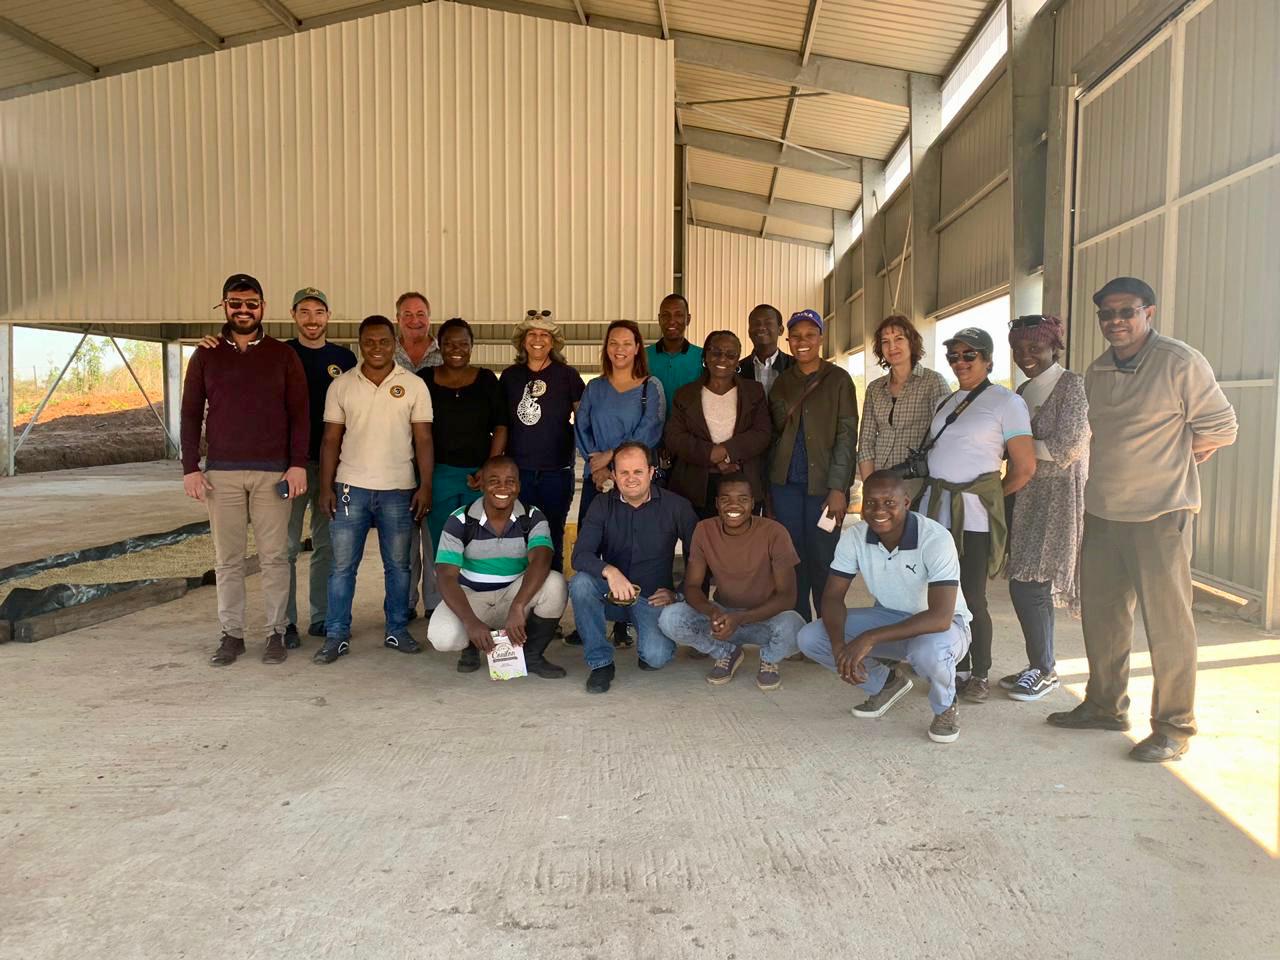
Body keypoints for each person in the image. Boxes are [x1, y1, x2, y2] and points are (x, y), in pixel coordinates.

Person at [1048, 277, 1237, 763]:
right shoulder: (1098, 370)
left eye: (1126, 311)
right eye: (1107, 314)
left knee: (1168, 625)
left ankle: (1174, 726)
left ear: (1148, 313)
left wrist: (1178, 455)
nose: (1116, 321)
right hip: (1103, 511)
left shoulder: (1179, 362)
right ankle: (1104, 706)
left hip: (1160, 514)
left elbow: (1222, 427)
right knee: (1103, 618)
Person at [191, 285, 355, 647]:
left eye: (319, 312)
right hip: (287, 466)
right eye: (304, 311)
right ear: (292, 315)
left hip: (334, 463)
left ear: (329, 316)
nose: (312, 319)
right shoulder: (282, 352)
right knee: (286, 546)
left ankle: (322, 617)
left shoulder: (344, 358)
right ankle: (287, 623)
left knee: (327, 544)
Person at [181, 273, 308, 667]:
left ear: (263, 308)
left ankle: (276, 632)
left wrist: (297, 465)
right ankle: (231, 634)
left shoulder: (283, 356)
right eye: (235, 304)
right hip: (222, 473)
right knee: (228, 559)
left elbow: (300, 414)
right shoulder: (206, 355)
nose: (243, 310)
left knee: (275, 557)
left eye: (251, 304)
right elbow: (190, 414)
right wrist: (190, 467)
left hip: (273, 473)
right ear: (225, 306)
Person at [798, 471, 972, 744]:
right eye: (871, 502)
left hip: (945, 627)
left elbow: (940, 617)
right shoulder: (854, 537)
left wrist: (869, 637)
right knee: (811, 637)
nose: (879, 510)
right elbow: (832, 597)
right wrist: (838, 647)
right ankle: (887, 683)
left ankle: (945, 707)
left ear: (906, 503)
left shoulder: (935, 538)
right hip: (890, 617)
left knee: (927, 651)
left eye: (889, 503)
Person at [916, 327, 1036, 704]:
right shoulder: (947, 402)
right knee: (939, 594)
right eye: (954, 356)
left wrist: (990, 498)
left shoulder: (1007, 402)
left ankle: (980, 671)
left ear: (988, 360)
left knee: (971, 597)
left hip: (975, 518)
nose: (961, 362)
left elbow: (1024, 467)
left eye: (970, 355)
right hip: (937, 512)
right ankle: (957, 665)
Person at [313, 315, 434, 664]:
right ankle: (336, 634)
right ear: (360, 344)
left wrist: (425, 486)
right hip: (350, 489)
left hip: (398, 489)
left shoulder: (413, 385)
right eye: (369, 342)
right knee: (342, 567)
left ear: (394, 343)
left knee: (398, 566)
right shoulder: (342, 385)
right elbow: (330, 440)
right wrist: (326, 487)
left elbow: (424, 439)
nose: (376, 348)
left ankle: (396, 629)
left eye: (383, 341)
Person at [1001, 315, 1089, 702]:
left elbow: (1069, 447)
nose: (1026, 356)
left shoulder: (1073, 386)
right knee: (1027, 582)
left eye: (1034, 348)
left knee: (1030, 584)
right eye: (1018, 349)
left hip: (1057, 497)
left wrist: (1017, 445)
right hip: (1026, 493)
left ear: (1054, 347)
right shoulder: (1023, 390)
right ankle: (1039, 664)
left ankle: (1044, 669)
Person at [568, 441, 699, 693]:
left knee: (656, 657)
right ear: (614, 475)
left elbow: (699, 557)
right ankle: (601, 663)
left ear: (651, 472)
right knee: (581, 583)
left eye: (638, 471)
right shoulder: (601, 504)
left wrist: (678, 594)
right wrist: (611, 571)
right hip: (612, 593)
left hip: (651, 598)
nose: (631, 478)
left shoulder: (677, 506)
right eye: (624, 472)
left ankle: (646, 639)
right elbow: (580, 555)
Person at [418, 317, 509, 669]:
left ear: (472, 346)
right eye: (450, 344)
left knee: (482, 551)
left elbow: (501, 426)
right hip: (440, 476)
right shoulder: (426, 380)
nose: (456, 350)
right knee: (448, 557)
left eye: (463, 344)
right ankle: (466, 637)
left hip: (478, 478)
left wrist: (489, 469)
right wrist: (426, 483)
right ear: (439, 346)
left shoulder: (486, 380)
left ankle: (490, 626)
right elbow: (421, 434)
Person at [657, 475, 804, 689]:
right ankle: (726, 652)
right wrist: (712, 613)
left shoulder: (775, 532)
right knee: (670, 618)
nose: (734, 505)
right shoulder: (704, 530)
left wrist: (742, 618)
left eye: (742, 499)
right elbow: (692, 586)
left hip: (764, 619)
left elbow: (787, 597)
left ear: (752, 503)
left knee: (795, 627)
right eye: (726, 499)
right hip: (723, 618)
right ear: (717, 503)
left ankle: (769, 658)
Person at [428, 456, 567, 679]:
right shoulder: (460, 520)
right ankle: (471, 645)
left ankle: (532, 656)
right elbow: (445, 576)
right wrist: (470, 622)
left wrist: (518, 605)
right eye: (494, 481)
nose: (503, 487)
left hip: (513, 595)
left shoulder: (532, 517)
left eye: (510, 481)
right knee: (442, 636)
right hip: (472, 597)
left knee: (555, 583)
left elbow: (541, 560)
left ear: (519, 486)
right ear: (481, 484)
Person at [767, 309, 859, 621]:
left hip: (824, 488)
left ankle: (827, 626)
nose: (802, 341)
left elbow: (847, 436)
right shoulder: (782, 382)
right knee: (792, 558)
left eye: (809, 335)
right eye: (795, 336)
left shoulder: (839, 380)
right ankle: (799, 626)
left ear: (820, 338)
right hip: (786, 487)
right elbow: (774, 434)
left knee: (824, 557)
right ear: (788, 341)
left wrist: (838, 489)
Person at [499, 311, 585, 572]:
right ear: (522, 341)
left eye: (544, 334)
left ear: (553, 342)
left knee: (552, 536)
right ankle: (520, 592)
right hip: (518, 472)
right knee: (518, 536)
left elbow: (584, 419)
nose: (538, 340)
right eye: (532, 334)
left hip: (556, 472)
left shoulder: (567, 376)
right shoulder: (510, 376)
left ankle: (551, 593)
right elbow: (501, 424)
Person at [664, 330, 771, 518]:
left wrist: (726, 451)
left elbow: (762, 433)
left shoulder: (754, 392)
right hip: (694, 486)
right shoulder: (685, 394)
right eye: (716, 352)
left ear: (737, 361)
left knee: (741, 537)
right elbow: (675, 438)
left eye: (731, 355)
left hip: (742, 482)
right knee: (699, 536)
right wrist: (711, 454)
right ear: (705, 356)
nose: (722, 359)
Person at [575, 319, 666, 524]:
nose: (619, 349)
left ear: (637, 348)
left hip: (635, 481)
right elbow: (582, 428)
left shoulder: (651, 387)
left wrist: (611, 455)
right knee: (592, 538)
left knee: (635, 539)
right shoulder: (594, 387)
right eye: (613, 343)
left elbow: (649, 430)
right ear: (606, 347)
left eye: (627, 343)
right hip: (597, 479)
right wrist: (598, 466)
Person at [857, 315, 951, 488]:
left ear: (911, 342)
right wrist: (870, 486)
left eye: (899, 339)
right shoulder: (875, 388)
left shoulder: (933, 382)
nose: (892, 347)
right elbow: (866, 441)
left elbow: (946, 436)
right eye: (885, 341)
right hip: (880, 479)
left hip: (918, 481)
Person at [394, 290, 443, 623]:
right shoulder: (386, 352)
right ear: (398, 318)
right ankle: (404, 603)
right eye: (408, 314)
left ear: (429, 316)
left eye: (420, 313)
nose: (415, 320)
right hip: (395, 458)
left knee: (435, 537)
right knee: (402, 541)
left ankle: (437, 605)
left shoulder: (445, 353)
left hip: (435, 457)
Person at [645, 293, 704, 420]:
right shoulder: (643, 356)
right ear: (659, 319)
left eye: (678, 315)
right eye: (666, 315)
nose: (671, 321)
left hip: (689, 430)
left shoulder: (703, 357)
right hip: (651, 431)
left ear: (688, 319)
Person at [737, 303, 794, 396]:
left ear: (780, 330)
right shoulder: (737, 370)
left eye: (768, 323)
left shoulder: (795, 366)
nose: (761, 327)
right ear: (749, 331)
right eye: (756, 323)